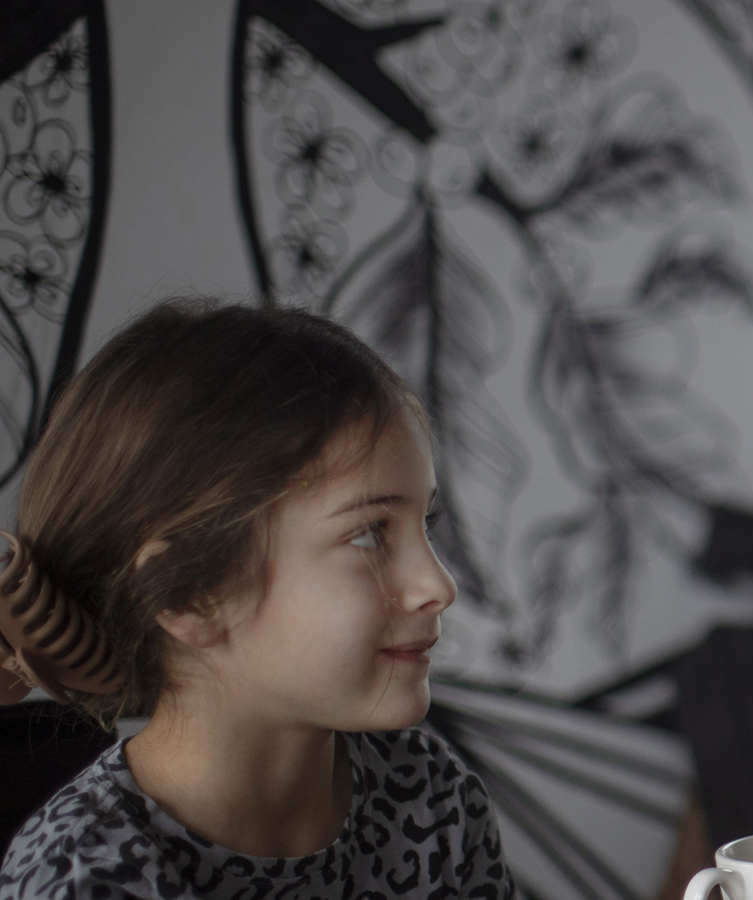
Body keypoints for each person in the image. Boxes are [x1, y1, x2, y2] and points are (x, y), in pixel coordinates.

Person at [0, 300, 515, 898]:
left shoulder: (432, 795)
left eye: (426, 522)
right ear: (187, 593)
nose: (439, 585)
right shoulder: (81, 880)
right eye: (370, 533)